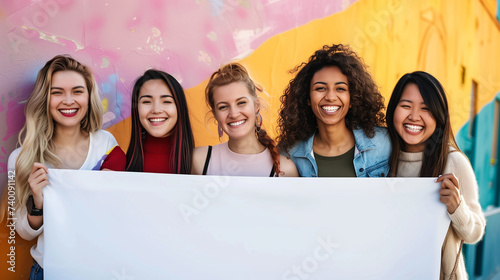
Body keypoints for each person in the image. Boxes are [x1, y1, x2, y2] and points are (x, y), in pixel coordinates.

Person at [8, 55, 125, 279]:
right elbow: (22, 233)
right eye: (57, 92)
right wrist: (38, 203)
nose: (68, 100)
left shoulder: (105, 143)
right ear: (45, 98)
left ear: (88, 97)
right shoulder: (20, 159)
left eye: (77, 91)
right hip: (48, 271)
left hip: (98, 270)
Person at [386, 71, 485, 279]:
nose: (414, 116)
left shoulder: (454, 161)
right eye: (406, 106)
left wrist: (457, 208)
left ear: (439, 116)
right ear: (393, 109)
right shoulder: (380, 158)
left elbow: (475, 232)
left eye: (426, 109)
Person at [277, 44, 390, 177]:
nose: (330, 97)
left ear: (353, 98)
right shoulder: (289, 155)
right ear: (307, 98)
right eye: (320, 88)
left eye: (340, 89)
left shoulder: (385, 143)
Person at [191, 62, 298, 177]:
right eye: (223, 107)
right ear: (215, 114)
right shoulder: (198, 160)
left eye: (241, 103)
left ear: (256, 106)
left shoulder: (286, 168)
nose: (234, 114)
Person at [116, 69, 195, 173]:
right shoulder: (119, 162)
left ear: (180, 107)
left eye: (166, 101)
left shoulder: (200, 161)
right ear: (136, 109)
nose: (156, 110)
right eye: (147, 101)